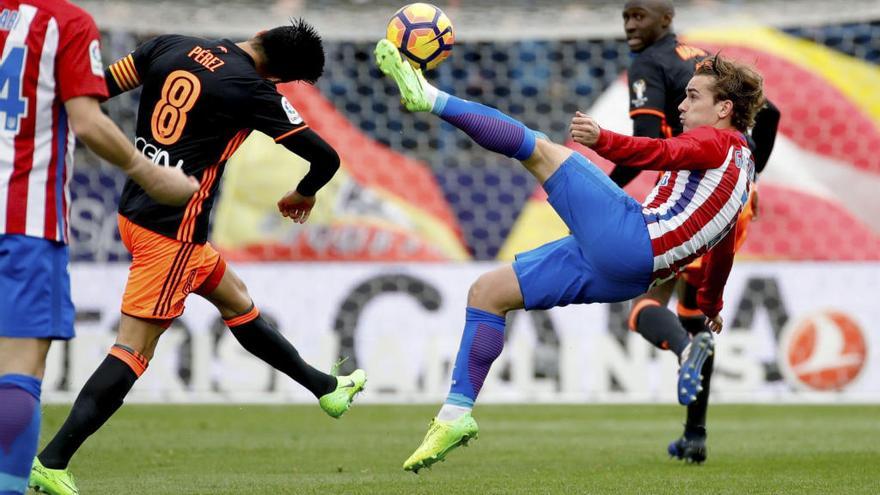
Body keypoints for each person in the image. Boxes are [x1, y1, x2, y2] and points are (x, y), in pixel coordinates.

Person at [375, 38, 764, 472]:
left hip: (631, 239)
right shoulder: (744, 174)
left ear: (725, 108)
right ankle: (454, 416)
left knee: (536, 147)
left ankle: (427, 96)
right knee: (488, 292)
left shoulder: (716, 143)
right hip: (631, 277)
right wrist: (710, 306)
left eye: (693, 96)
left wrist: (603, 140)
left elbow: (661, 151)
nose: (682, 105)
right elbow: (723, 251)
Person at [29, 19, 366, 494]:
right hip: (173, 234)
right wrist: (303, 194)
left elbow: (97, 90)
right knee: (133, 350)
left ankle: (325, 389)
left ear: (263, 33)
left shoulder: (169, 44)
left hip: (134, 210)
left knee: (237, 301)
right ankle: (52, 460)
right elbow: (326, 158)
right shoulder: (254, 90)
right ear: (281, 77)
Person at [0, 1, 198, 494]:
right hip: (25, 222)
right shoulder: (64, 21)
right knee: (18, 371)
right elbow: (87, 122)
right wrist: (151, 174)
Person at [604, 0, 780, 463]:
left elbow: (643, 145)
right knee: (695, 314)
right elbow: (773, 114)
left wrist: (598, 192)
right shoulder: (699, 59)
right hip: (735, 203)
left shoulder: (650, 64)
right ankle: (695, 436)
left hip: (696, 205)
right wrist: (748, 178)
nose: (630, 25)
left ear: (666, 19)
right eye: (626, 16)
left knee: (645, 306)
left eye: (639, 15)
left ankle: (685, 352)